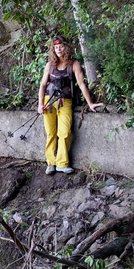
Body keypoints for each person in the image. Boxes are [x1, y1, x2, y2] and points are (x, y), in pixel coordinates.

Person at [38, 36, 103, 175]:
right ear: (53, 50)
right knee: (50, 133)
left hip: (65, 101)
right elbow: (43, 85)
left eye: (61, 46)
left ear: (65, 47)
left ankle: (62, 163)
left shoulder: (74, 64)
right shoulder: (50, 65)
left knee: (65, 132)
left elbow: (81, 84)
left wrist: (90, 103)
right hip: (48, 101)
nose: (59, 49)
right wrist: (40, 104)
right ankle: (51, 163)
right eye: (56, 47)